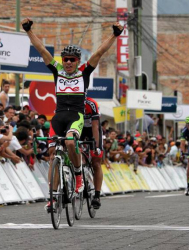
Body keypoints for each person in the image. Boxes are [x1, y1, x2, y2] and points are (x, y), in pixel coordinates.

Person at [22, 17, 123, 211]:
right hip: (58, 117)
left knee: (70, 142)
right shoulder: (57, 70)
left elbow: (100, 52)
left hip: (75, 117)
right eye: (65, 59)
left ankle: (78, 174)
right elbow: (42, 50)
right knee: (53, 155)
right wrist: (28, 31)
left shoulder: (84, 71)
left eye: (72, 60)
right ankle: (52, 198)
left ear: (78, 61)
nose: (68, 63)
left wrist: (114, 35)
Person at [80, 97, 103, 209]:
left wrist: (96, 146)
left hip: (92, 129)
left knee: (96, 162)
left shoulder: (91, 103)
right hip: (79, 129)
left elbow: (95, 126)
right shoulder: (71, 101)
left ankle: (97, 195)